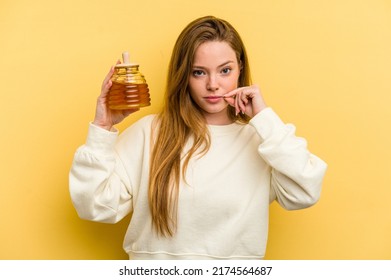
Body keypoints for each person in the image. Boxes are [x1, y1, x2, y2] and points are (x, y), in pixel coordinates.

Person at [69, 15, 327, 260]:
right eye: (199, 72)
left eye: (225, 70)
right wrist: (102, 127)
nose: (213, 84)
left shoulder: (261, 140)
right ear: (184, 76)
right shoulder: (149, 132)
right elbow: (95, 205)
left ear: (240, 69)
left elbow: (304, 192)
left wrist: (265, 119)